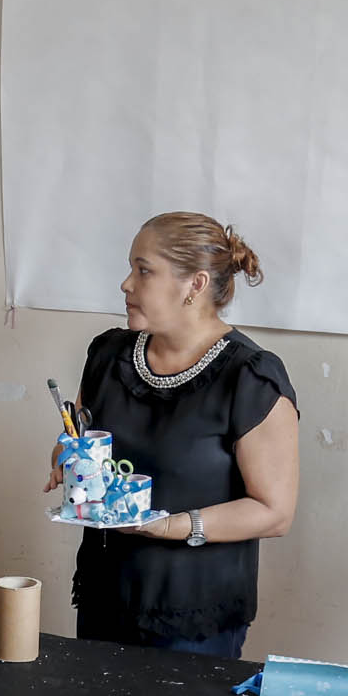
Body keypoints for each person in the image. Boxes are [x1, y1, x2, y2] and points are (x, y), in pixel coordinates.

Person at [43, 212, 299, 658]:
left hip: (194, 617)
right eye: (130, 268)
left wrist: (168, 527)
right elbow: (82, 442)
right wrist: (68, 457)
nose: (126, 283)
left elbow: (274, 513)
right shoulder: (108, 355)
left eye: (143, 270)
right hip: (106, 596)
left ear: (194, 285)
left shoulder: (250, 377)